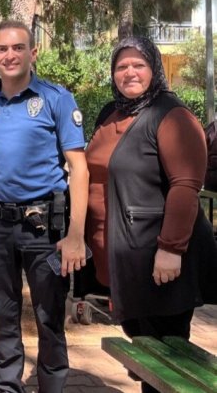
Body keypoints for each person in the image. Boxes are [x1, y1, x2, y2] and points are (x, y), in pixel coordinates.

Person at [85, 36, 217, 392]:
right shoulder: (112, 113)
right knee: (145, 349)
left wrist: (171, 248)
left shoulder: (171, 115)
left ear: (154, 68)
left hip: (158, 260)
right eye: (121, 66)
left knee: (167, 356)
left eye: (138, 65)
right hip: (125, 257)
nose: (129, 72)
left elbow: (186, 185)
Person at [0, 20, 89, 393]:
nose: (10, 55)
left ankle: (51, 386)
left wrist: (75, 236)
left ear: (33, 52)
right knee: (2, 317)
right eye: (1, 49)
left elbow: (79, 170)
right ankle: (7, 387)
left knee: (49, 317)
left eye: (18, 47)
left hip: (44, 227)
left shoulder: (56, 99)